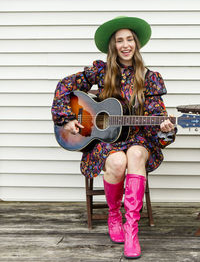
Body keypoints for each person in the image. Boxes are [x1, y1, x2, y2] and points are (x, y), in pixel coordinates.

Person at [51, 16, 176, 259]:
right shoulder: (101, 70)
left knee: (136, 154)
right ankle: (113, 215)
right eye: (120, 40)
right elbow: (65, 86)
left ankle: (132, 229)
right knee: (118, 162)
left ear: (136, 44)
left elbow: (157, 115)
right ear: (113, 46)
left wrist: (165, 125)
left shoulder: (150, 78)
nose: (126, 44)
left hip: (139, 137)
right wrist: (67, 118)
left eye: (130, 39)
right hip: (105, 140)